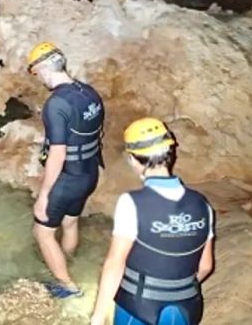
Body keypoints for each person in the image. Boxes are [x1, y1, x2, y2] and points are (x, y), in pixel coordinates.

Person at [90, 118, 215, 325]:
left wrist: (98, 315)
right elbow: (206, 266)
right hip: (187, 306)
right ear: (170, 154)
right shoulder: (202, 205)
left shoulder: (131, 203)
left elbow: (114, 264)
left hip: (138, 307)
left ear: (132, 159)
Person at [27, 42, 105, 298]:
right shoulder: (90, 93)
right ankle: (66, 260)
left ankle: (67, 286)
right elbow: (97, 132)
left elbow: (58, 153)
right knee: (70, 222)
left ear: (42, 68)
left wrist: (44, 194)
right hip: (89, 171)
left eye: (35, 73)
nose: (37, 78)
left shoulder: (56, 104)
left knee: (42, 231)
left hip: (68, 177)